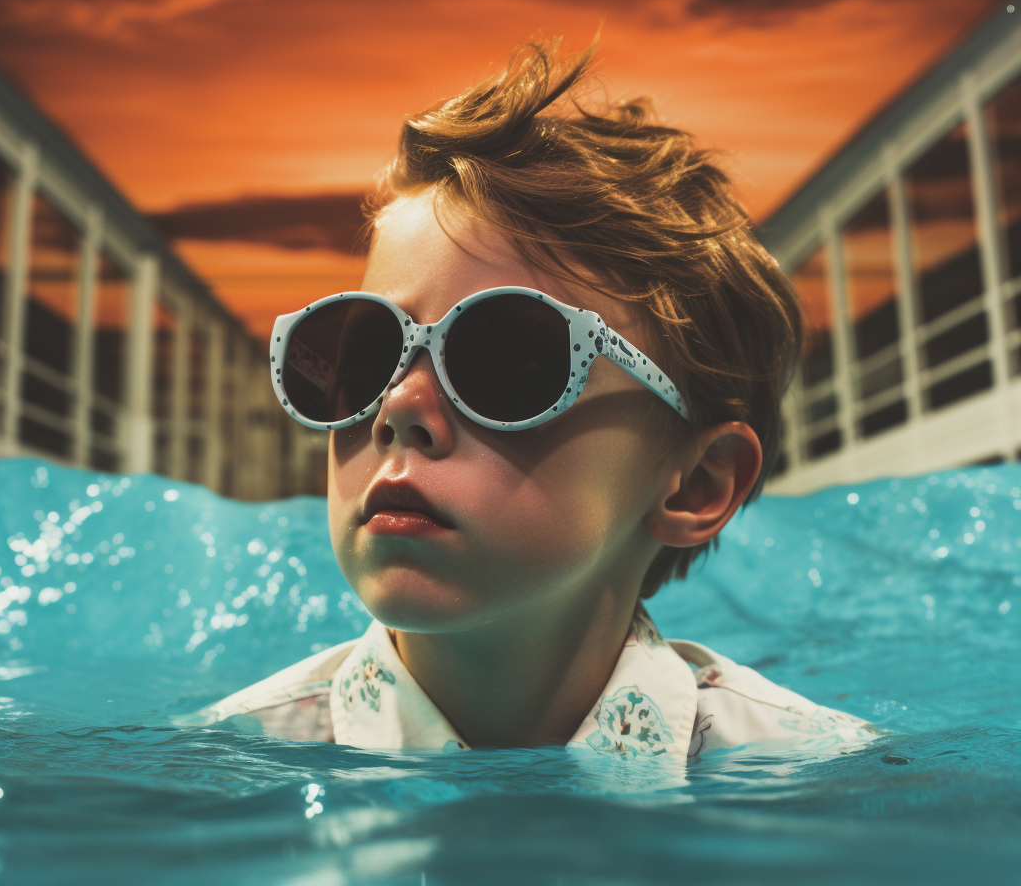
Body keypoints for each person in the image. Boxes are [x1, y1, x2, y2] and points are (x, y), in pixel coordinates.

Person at [200, 40, 875, 757]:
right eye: (365, 352)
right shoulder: (227, 766)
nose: (398, 408)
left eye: (507, 362)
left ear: (698, 484)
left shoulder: (811, 773)